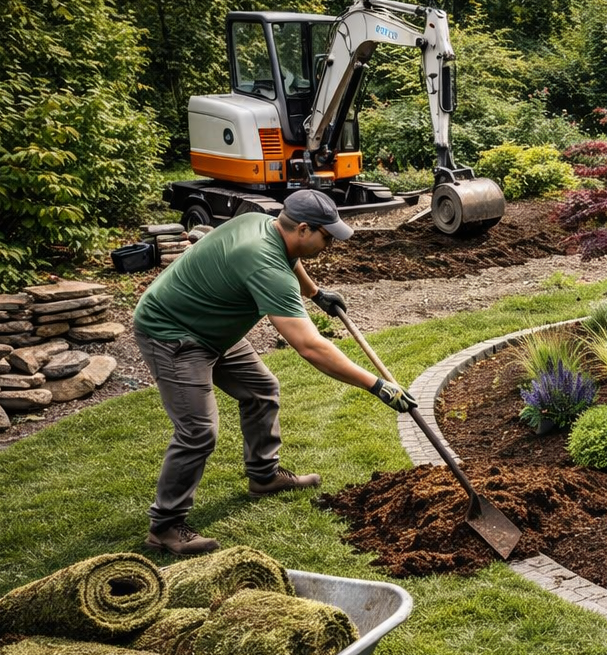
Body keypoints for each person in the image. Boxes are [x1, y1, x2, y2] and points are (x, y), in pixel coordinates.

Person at [132, 189, 417, 556]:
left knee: (261, 389)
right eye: (326, 236)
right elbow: (311, 347)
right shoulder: (264, 264)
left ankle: (263, 476)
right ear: (302, 229)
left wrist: (315, 293)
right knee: (198, 431)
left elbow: (289, 258)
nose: (329, 244)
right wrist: (377, 386)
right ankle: (165, 527)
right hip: (173, 334)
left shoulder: (262, 223)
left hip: (213, 328)